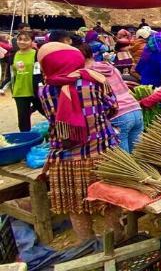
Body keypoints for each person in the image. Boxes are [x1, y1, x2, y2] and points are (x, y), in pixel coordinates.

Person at [37, 42, 124, 242]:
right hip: (102, 152)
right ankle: (117, 242)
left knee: (75, 205)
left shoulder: (45, 91)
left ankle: (87, 245)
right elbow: (113, 109)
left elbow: (52, 118)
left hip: (66, 157)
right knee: (109, 202)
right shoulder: (94, 82)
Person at [81, 44, 143, 152]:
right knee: (138, 155)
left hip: (118, 115)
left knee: (124, 163)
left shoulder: (87, 73)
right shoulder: (109, 66)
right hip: (135, 109)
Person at [12, 32, 41, 132]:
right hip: (20, 92)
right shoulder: (14, 54)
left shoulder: (37, 54)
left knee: (48, 114)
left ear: (32, 41)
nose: (22, 42)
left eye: (26, 39)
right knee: (23, 121)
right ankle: (27, 141)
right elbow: (14, 74)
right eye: (20, 39)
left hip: (36, 90)